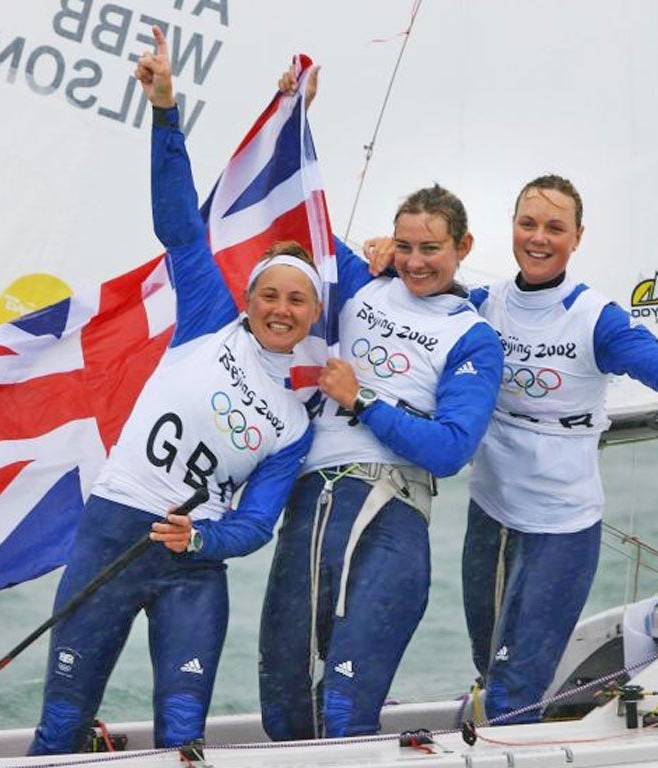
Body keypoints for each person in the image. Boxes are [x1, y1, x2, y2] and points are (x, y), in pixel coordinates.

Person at [28, 27, 322, 754]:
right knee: (63, 724)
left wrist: (202, 538)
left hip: (193, 572)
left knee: (183, 738)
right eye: (271, 295)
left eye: (299, 302)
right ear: (250, 299)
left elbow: (255, 524)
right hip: (112, 535)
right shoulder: (208, 318)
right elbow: (179, 224)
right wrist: (165, 109)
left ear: (314, 316)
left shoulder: (292, 419)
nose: (282, 310)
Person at [369, 174, 658, 724]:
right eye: (527, 223)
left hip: (561, 527)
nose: (538, 237)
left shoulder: (595, 319)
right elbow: (418, 282)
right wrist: (385, 256)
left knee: (515, 692)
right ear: (511, 228)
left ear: (576, 238)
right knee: (490, 669)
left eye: (554, 228)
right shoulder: (482, 305)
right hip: (491, 515)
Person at [257, 72, 504, 741]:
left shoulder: (471, 335)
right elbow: (293, 214)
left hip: (392, 514)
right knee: (282, 706)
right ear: (389, 244)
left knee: (342, 712)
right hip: (311, 505)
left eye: (432, 248)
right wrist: (292, 118)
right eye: (406, 246)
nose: (417, 261)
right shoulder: (361, 284)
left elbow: (451, 449)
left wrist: (360, 398)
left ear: (463, 249)